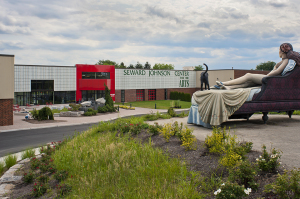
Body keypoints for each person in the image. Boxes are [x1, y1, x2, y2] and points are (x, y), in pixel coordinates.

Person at [215, 43, 293, 90]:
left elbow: (277, 72)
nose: (278, 51)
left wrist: (266, 76)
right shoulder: (283, 61)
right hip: (271, 78)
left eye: (279, 50)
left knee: (248, 76)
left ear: (283, 51)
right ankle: (228, 88)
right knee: (249, 83)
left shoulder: (285, 60)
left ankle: (225, 83)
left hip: (270, 79)